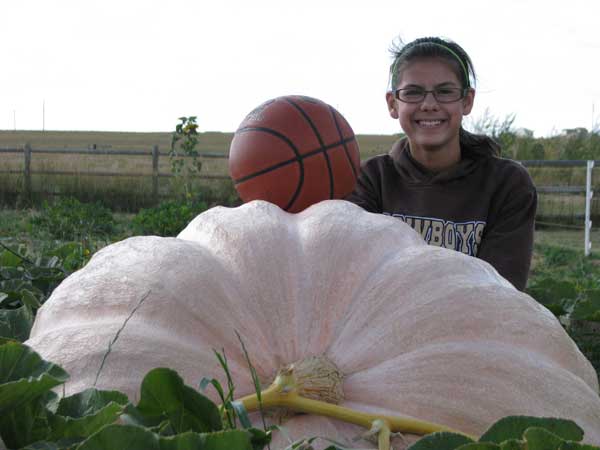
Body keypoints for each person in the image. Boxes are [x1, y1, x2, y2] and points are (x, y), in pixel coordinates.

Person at [347, 36, 537, 291]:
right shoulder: (370, 179)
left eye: (445, 92)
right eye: (413, 92)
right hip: (385, 329)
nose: (428, 105)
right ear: (393, 104)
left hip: (474, 328)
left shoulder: (507, 184)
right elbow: (354, 280)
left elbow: (500, 293)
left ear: (467, 101)